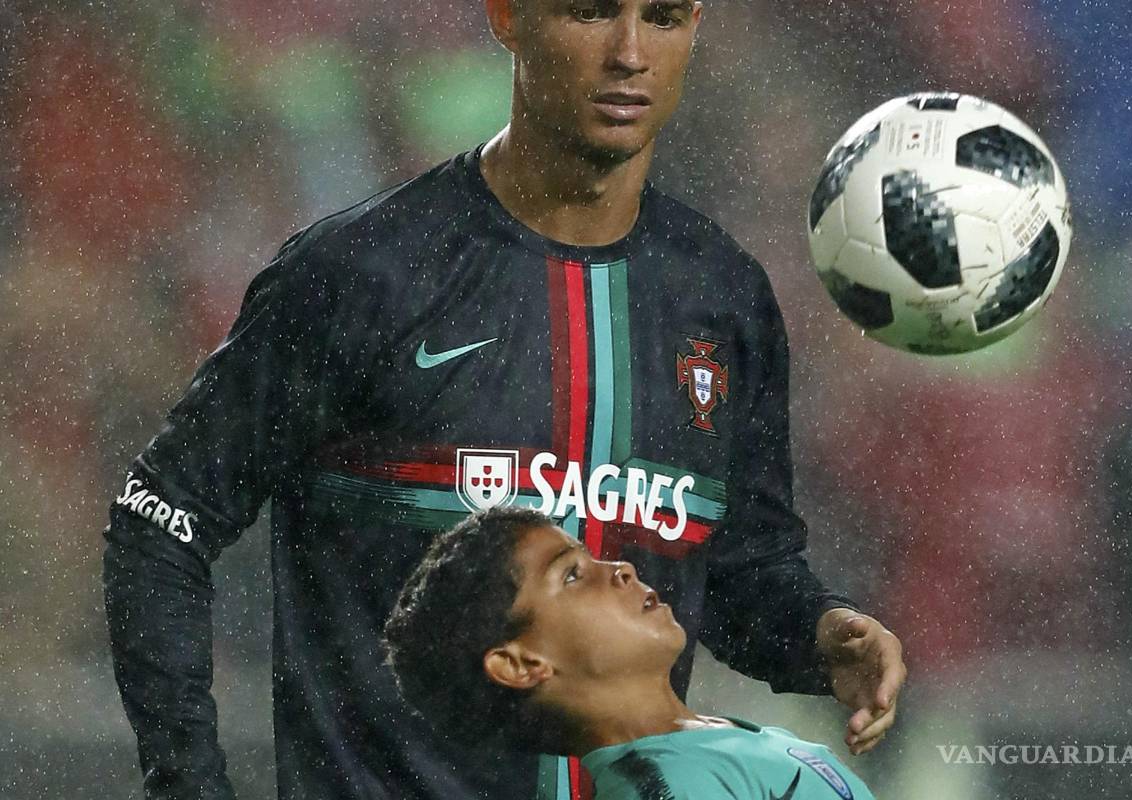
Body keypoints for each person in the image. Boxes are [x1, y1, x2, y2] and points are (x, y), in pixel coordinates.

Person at [102, 0, 906, 798]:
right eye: (591, 13)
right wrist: (189, 785)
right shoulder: (363, 273)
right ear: (507, 17)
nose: (629, 52)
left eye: (661, 17)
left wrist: (820, 634)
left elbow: (737, 572)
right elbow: (161, 521)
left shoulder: (722, 296)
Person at [383, 506, 878, 800]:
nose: (618, 567)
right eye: (572, 575)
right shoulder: (668, 787)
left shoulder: (712, 745)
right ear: (521, 663)